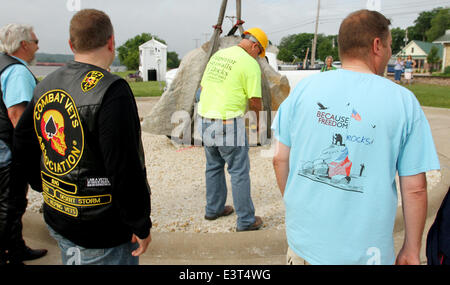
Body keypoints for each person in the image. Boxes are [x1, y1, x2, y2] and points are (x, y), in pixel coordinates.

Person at [272, 9, 440, 265]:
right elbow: (415, 188)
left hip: (303, 245)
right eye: (390, 45)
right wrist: (410, 247)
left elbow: (279, 159)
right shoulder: (403, 101)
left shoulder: (304, 88)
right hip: (365, 254)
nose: (389, 52)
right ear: (377, 45)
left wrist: (295, 203)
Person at [12, 9, 152, 265]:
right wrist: (140, 222)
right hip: (100, 228)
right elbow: (124, 167)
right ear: (111, 41)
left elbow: (22, 141)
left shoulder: (47, 83)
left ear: (71, 44)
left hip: (58, 213)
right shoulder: (112, 90)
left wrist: (42, 184)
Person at [197, 28, 268, 232]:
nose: (259, 57)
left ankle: (213, 209)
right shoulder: (250, 64)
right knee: (239, 172)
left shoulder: (219, 55)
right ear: (255, 46)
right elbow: (255, 101)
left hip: (205, 120)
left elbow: (202, 90)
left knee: (213, 166)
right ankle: (246, 220)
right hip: (228, 123)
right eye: (260, 53)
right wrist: (257, 126)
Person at [0, 23, 47, 265]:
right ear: (24, 44)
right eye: (36, 42)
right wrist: (31, 153)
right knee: (12, 202)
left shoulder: (2, 64)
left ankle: (16, 247)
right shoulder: (17, 72)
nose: (39, 46)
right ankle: (8, 254)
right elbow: (18, 115)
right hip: (9, 149)